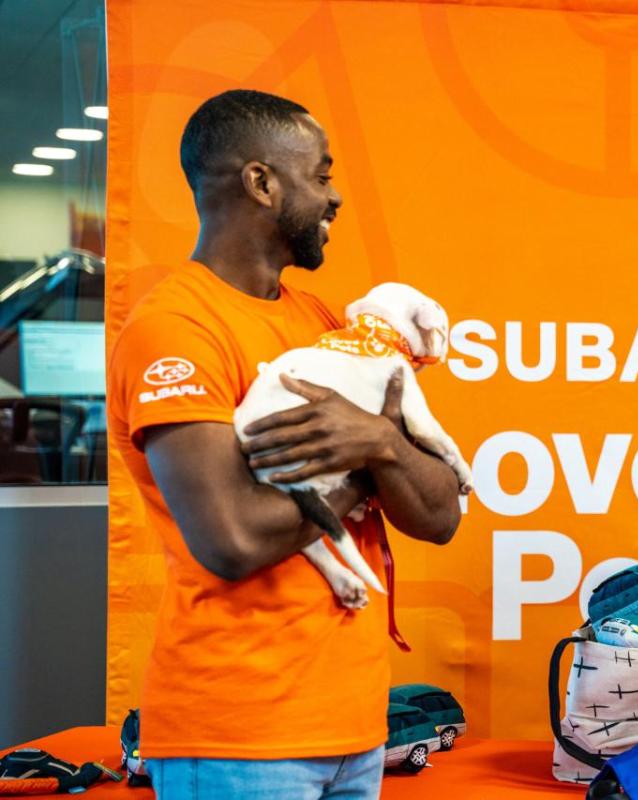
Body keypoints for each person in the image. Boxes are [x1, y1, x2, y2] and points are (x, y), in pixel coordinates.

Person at [108, 89, 463, 798]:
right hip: (239, 736)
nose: (334, 199)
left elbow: (441, 516)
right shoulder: (176, 328)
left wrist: (380, 446)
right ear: (262, 182)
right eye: (322, 175)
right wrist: (370, 461)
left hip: (358, 726)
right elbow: (231, 539)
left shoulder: (324, 322)